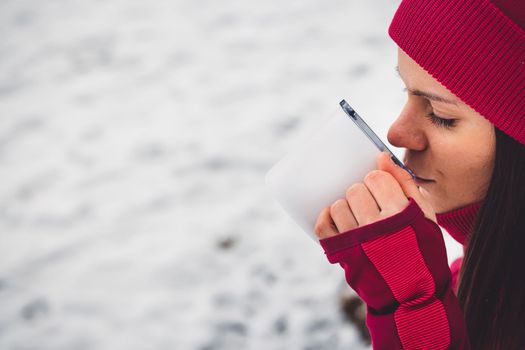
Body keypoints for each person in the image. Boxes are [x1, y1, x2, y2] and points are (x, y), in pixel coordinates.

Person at [314, 0, 525, 349]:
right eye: (407, 92)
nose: (397, 133)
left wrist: (410, 305)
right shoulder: (490, 271)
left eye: (441, 114)